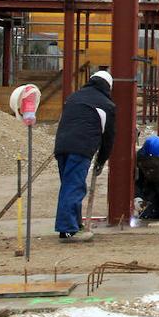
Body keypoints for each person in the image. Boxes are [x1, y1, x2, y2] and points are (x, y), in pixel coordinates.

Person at [53, 70, 115, 243]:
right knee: (74, 187)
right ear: (108, 86)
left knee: (69, 186)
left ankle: (74, 224)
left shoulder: (74, 97)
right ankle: (67, 229)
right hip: (81, 148)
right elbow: (108, 138)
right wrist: (101, 161)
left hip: (62, 146)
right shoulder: (107, 105)